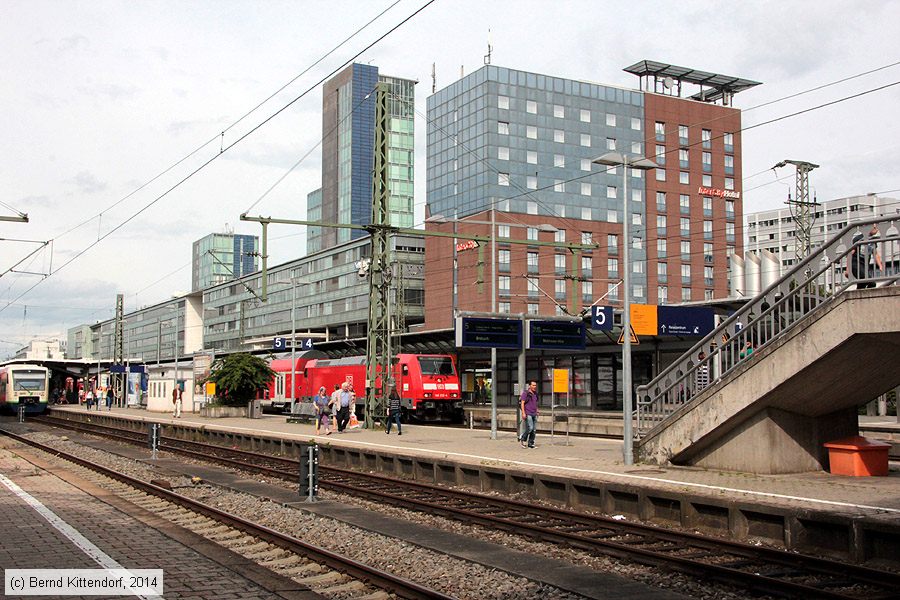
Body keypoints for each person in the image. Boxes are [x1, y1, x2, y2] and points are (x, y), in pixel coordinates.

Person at [848, 224, 884, 289]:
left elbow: (875, 254)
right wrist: (848, 269)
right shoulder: (858, 239)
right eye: (874, 228)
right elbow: (850, 253)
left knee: (862, 285)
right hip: (856, 265)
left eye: (877, 228)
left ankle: (858, 298)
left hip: (865, 266)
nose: (877, 230)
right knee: (872, 283)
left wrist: (880, 265)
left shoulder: (872, 240)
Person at [518, 380, 539, 449]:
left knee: (534, 430)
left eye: (535, 385)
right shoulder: (525, 393)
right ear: (529, 386)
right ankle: (523, 439)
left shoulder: (535, 393)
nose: (534, 387)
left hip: (534, 413)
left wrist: (537, 410)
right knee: (530, 428)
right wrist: (523, 413)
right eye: (533, 385)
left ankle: (531, 443)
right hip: (528, 413)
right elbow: (522, 403)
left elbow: (535, 403)